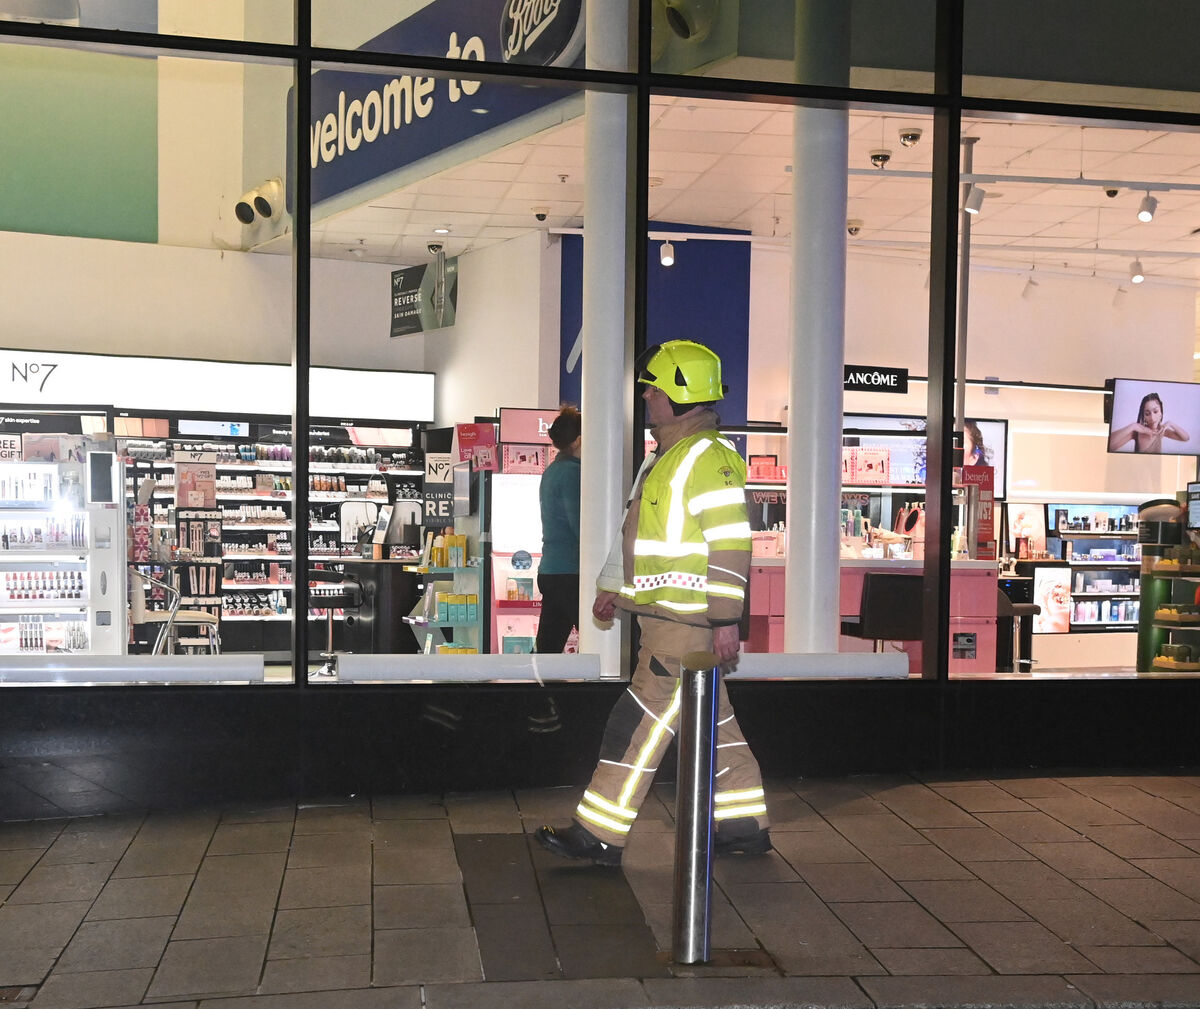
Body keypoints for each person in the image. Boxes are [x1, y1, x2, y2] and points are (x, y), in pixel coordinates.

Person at [536, 340, 770, 867]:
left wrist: (727, 619)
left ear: (680, 395)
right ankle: (743, 824)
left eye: (653, 388)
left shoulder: (706, 458)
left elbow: (731, 542)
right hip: (671, 619)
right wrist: (613, 587)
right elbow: (638, 532)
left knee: (636, 723)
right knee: (714, 724)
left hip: (684, 624)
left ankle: (599, 833)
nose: (645, 395)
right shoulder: (668, 457)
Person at [535, 405, 581, 654]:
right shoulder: (574, 474)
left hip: (552, 570)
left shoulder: (551, 471)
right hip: (571, 573)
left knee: (547, 648)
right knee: (605, 641)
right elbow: (581, 528)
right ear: (580, 439)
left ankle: (541, 690)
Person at [1107, 392, 1190, 453]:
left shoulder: (1161, 432)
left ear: (1161, 413)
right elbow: (1110, 446)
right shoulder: (1137, 432)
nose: (1152, 417)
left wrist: (1170, 423)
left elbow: (1186, 438)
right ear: (1143, 416)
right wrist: (1133, 426)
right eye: (1147, 414)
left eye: (1155, 411)